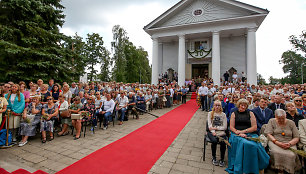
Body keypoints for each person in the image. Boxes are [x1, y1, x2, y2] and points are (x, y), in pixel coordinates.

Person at [226, 99, 269, 174]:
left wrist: (244, 131)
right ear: (238, 105)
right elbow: (231, 127)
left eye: (245, 105)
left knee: (257, 146)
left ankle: (255, 166)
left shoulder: (250, 113)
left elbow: (254, 127)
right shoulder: (234, 113)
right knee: (248, 144)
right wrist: (239, 133)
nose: (243, 107)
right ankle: (245, 167)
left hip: (249, 133)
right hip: (236, 134)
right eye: (241, 105)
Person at [265, 109, 301, 174]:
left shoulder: (291, 123)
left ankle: (289, 169)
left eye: (283, 118)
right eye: (279, 118)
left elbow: (296, 137)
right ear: (275, 116)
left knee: (291, 155)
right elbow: (269, 134)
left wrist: (289, 144)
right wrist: (277, 142)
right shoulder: (272, 121)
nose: (281, 120)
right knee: (276, 152)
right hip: (275, 141)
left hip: (289, 141)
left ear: (286, 115)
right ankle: (280, 170)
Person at [207, 100, 227, 167]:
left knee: (223, 142)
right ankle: (214, 157)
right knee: (214, 141)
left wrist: (216, 128)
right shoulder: (210, 113)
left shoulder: (223, 114)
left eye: (219, 105)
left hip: (221, 133)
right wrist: (213, 132)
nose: (217, 107)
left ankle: (222, 159)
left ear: (221, 106)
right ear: (213, 106)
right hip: (212, 132)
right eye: (216, 105)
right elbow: (210, 125)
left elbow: (224, 127)